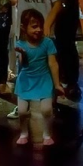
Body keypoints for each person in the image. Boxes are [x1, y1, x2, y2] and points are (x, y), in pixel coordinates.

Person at [13, 9, 62, 146]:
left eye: (41, 26)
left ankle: (47, 133)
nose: (39, 30)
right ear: (24, 27)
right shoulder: (20, 45)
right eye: (34, 26)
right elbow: (22, 64)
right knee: (22, 111)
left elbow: (53, 64)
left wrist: (57, 84)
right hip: (26, 81)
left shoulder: (47, 43)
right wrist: (22, 54)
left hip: (43, 79)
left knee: (46, 109)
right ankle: (24, 132)